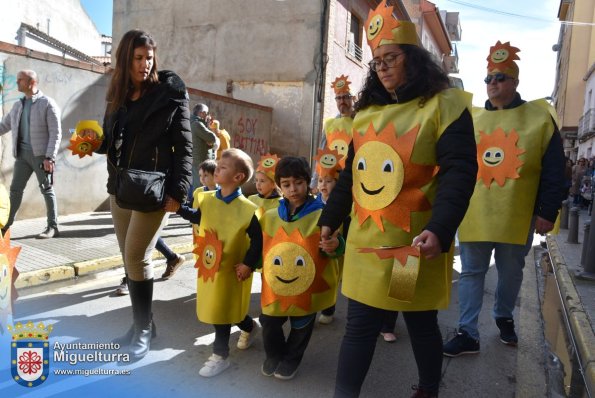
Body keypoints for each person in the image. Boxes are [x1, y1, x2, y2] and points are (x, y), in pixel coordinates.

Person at [318, 2, 478, 397]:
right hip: (365, 243)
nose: (384, 67)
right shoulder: (366, 115)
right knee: (359, 324)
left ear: (415, 60)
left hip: (410, 247)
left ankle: (427, 388)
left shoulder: (444, 107)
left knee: (418, 319)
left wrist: (440, 229)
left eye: (392, 58)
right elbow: (351, 177)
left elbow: (460, 172)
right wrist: (331, 217)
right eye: (377, 62)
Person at [443, 41, 565, 358]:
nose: (493, 83)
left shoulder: (539, 119)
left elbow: (554, 171)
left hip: (517, 214)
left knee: (511, 273)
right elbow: (453, 162)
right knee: (471, 273)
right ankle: (468, 332)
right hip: (475, 213)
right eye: (489, 78)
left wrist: (547, 212)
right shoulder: (471, 118)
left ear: (515, 81)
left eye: (500, 77)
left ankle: (503, 315)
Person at [88, 29, 192, 360]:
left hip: (154, 189)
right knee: (129, 260)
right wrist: (93, 143)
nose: (145, 64)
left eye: (149, 58)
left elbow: (185, 146)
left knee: (137, 257)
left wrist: (179, 191)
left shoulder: (169, 92)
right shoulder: (117, 93)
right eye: (138, 58)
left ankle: (144, 330)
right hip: (120, 188)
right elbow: (112, 141)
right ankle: (142, 325)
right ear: (125, 59)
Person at [173, 148, 262, 378]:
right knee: (221, 306)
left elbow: (257, 240)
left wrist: (248, 264)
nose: (216, 170)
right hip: (211, 267)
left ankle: (220, 355)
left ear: (238, 177)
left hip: (233, 269)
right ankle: (250, 327)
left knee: (222, 310)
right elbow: (199, 217)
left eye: (222, 168)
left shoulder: (247, 209)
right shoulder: (208, 199)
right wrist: (179, 209)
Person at [259, 156, 342, 380]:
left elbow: (340, 243)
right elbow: (262, 246)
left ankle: (291, 359)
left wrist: (336, 245)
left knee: (302, 323)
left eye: (298, 182)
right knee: (269, 319)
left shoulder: (324, 213)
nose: (293, 189)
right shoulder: (271, 215)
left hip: (308, 284)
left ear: (308, 182)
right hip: (276, 284)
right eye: (286, 184)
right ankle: (274, 354)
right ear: (279, 186)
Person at [0, 70, 61, 239]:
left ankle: (53, 226)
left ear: (31, 82)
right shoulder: (18, 105)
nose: (17, 82)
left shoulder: (47, 103)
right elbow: (4, 125)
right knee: (15, 191)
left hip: (42, 156)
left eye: (20, 80)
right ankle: (5, 226)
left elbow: (56, 132)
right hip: (22, 156)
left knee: (47, 190)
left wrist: (50, 157)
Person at [313, 147, 346, 325]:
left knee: (331, 277)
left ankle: (328, 308)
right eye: (320, 181)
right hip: (316, 248)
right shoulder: (313, 204)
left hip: (336, 251)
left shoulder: (345, 207)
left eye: (328, 181)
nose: (323, 185)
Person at [310, 75, 354, 191]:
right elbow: (322, 153)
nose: (342, 101)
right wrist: (314, 183)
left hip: (352, 178)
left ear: (353, 98)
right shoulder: (329, 124)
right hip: (331, 180)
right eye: (338, 98)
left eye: (345, 97)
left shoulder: (361, 121)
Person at [191, 104, 218, 189]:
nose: (208, 116)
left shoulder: (192, 123)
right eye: (207, 114)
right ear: (202, 113)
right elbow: (212, 138)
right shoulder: (197, 124)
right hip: (199, 160)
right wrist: (207, 126)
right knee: (200, 185)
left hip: (197, 159)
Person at [248, 153, 281, 219]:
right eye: (256, 180)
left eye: (262, 181)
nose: (258, 184)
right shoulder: (251, 199)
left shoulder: (281, 203)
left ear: (274, 184)